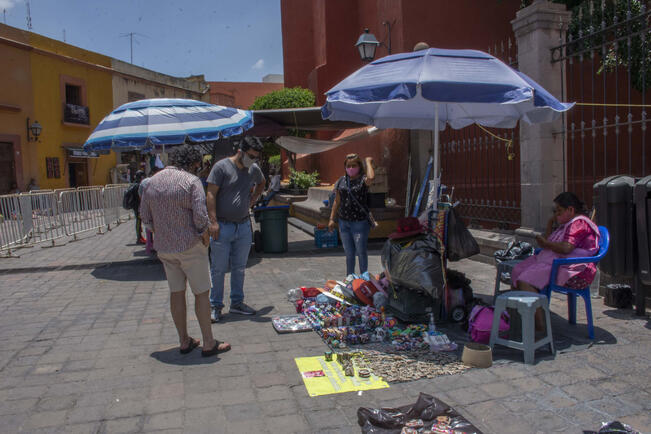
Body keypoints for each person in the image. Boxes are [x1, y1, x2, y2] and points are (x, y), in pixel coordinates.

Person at [140, 145, 230, 357]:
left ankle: (183, 340)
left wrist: (160, 232)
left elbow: (144, 215)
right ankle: (208, 342)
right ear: (194, 163)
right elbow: (200, 217)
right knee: (201, 293)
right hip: (190, 246)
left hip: (165, 248)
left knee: (176, 292)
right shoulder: (191, 182)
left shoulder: (151, 182)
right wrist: (204, 236)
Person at [511, 192, 600, 330]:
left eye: (559, 211)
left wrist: (546, 245)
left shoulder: (579, 223)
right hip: (559, 262)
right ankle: (524, 316)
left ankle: (539, 324)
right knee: (518, 270)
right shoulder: (566, 224)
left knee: (525, 281)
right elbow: (549, 241)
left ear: (570, 210)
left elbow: (566, 248)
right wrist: (550, 223)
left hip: (574, 270)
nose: (556, 214)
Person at [206, 136, 265, 323]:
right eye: (250, 155)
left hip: (243, 226)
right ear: (240, 151)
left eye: (255, 157)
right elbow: (210, 194)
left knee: (239, 268)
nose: (252, 160)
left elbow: (262, 183)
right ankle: (215, 306)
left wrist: (253, 199)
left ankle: (237, 303)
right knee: (219, 269)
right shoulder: (221, 167)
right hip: (222, 226)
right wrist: (212, 222)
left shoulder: (253, 169)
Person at [328, 153, 375, 276]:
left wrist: (368, 161)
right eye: (348, 166)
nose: (351, 168)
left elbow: (370, 178)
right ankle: (350, 278)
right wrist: (332, 219)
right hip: (344, 222)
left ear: (359, 166)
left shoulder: (362, 180)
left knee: (361, 252)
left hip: (359, 223)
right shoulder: (341, 181)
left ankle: (364, 278)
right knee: (349, 254)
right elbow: (337, 201)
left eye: (354, 165)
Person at [139, 166, 162, 255]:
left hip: (146, 206)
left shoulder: (144, 182)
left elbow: (140, 194)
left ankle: (149, 246)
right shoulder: (157, 181)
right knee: (157, 227)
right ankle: (157, 246)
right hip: (155, 207)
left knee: (148, 228)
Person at [133, 170, 146, 244]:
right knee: (138, 222)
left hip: (136, 206)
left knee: (138, 221)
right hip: (138, 206)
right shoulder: (138, 185)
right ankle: (139, 238)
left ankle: (140, 237)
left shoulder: (134, 184)